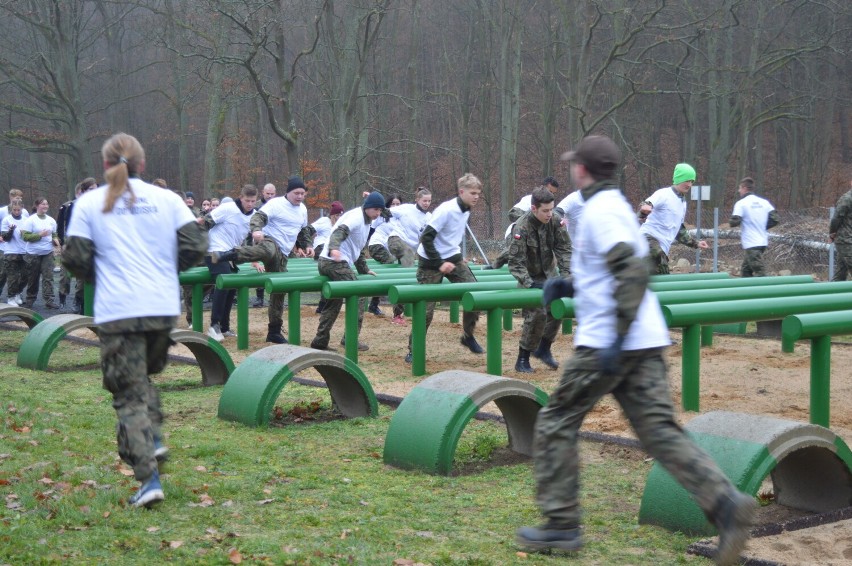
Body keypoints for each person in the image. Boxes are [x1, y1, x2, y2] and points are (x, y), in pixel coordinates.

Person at [517, 135, 755, 564]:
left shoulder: (600, 211)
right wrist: (572, 284)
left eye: (576, 166)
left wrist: (613, 339)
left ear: (584, 170)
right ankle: (727, 506)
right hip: (644, 339)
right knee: (660, 432)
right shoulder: (616, 207)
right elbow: (618, 267)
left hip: (611, 339)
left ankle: (561, 523)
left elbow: (630, 269)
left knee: (555, 420)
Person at [62, 132, 207, 508]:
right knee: (141, 378)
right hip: (161, 307)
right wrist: (163, 270)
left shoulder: (90, 203)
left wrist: (103, 275)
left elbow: (74, 259)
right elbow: (196, 246)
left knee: (127, 394)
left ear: (105, 165)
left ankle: (148, 478)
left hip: (119, 309)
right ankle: (153, 438)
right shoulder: (168, 199)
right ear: (142, 164)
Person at [211, 175, 313, 344]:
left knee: (278, 292)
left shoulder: (302, 209)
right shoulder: (276, 204)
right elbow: (257, 217)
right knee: (268, 250)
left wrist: (307, 244)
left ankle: (273, 331)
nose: (300, 196)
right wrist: (257, 230)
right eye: (297, 193)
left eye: (303, 193)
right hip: (270, 241)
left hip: (284, 254)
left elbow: (303, 231)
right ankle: (230, 255)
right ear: (288, 192)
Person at [404, 173, 484, 364]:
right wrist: (440, 263)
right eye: (473, 193)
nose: (476, 197)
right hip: (430, 261)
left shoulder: (466, 209)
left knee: (475, 292)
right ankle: (414, 350)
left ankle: (467, 335)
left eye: (478, 194)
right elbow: (427, 238)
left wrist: (456, 258)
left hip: (452, 257)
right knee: (426, 310)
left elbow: (451, 237)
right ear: (461, 191)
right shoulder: (447, 210)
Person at [309, 192, 385, 351]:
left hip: (332, 261)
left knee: (334, 302)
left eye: (380, 210)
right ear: (368, 207)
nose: (378, 213)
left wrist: (364, 269)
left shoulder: (367, 220)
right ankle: (350, 339)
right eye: (376, 209)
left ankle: (320, 341)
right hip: (333, 261)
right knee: (358, 294)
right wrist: (334, 248)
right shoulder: (356, 218)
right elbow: (339, 232)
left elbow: (356, 248)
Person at [507, 187, 571, 373]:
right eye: (545, 210)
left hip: (549, 275)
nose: (549, 214)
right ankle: (523, 358)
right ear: (534, 209)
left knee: (558, 307)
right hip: (528, 277)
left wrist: (567, 277)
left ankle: (544, 348)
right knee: (536, 313)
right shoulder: (521, 227)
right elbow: (515, 264)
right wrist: (530, 283)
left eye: (551, 209)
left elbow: (565, 249)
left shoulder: (555, 222)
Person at [199, 184, 259, 341]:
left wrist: (254, 260)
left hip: (230, 253)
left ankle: (224, 327)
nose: (250, 204)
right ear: (241, 198)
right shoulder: (228, 208)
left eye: (253, 201)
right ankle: (214, 325)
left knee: (232, 286)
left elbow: (253, 237)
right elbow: (205, 222)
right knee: (225, 280)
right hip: (213, 251)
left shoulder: (255, 215)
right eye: (247, 200)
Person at [637, 163, 709, 274]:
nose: (689, 185)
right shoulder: (664, 194)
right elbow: (647, 204)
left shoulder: (683, 203)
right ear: (679, 179)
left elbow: (679, 230)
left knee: (655, 279)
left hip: (662, 249)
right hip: (648, 239)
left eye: (692, 182)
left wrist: (696, 243)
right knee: (660, 261)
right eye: (687, 180)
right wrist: (644, 210)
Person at [489, 177, 561, 270]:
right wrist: (533, 220)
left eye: (553, 193)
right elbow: (512, 213)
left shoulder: (550, 206)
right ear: (543, 188)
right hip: (515, 233)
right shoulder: (530, 199)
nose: (551, 195)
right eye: (550, 191)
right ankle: (497, 264)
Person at [386, 187, 433, 324]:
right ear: (417, 199)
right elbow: (387, 211)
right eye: (424, 200)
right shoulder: (406, 209)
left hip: (410, 251)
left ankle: (398, 313)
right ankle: (392, 258)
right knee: (407, 256)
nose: (426, 203)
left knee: (406, 276)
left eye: (429, 201)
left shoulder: (429, 217)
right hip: (396, 240)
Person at [58, 178, 97, 311]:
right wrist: (65, 243)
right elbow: (68, 227)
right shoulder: (73, 206)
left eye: (96, 188)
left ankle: (83, 302)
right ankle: (74, 300)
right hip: (78, 245)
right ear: (83, 191)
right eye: (91, 189)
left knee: (87, 281)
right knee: (72, 277)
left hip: (93, 247)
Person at [728, 177, 779, 277]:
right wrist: (762, 226)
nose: (739, 191)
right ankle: (746, 291)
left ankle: (767, 290)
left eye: (739, 188)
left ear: (744, 188)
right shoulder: (764, 202)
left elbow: (734, 222)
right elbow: (775, 219)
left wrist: (732, 221)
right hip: (763, 241)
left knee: (760, 271)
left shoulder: (741, 203)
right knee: (746, 270)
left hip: (751, 242)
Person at [366, 194, 402, 317]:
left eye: (398, 204)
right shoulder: (383, 216)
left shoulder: (402, 218)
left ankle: (374, 305)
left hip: (389, 250)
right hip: (377, 245)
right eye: (393, 204)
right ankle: (376, 304)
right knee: (391, 266)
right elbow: (370, 229)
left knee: (395, 270)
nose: (396, 206)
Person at [21, 198, 60, 308]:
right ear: (37, 205)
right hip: (33, 254)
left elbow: (54, 234)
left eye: (47, 204)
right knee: (33, 278)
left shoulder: (51, 220)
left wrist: (56, 240)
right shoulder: (31, 220)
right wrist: (39, 235)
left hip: (47, 252)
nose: (45, 206)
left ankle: (49, 300)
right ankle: (30, 299)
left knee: (48, 277)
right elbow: (25, 237)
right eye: (43, 204)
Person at [312, 200, 345, 314]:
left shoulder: (341, 225)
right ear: (332, 215)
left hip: (332, 251)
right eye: (336, 215)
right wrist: (305, 245)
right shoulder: (324, 221)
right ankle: (324, 304)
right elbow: (309, 229)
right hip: (320, 248)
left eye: (340, 215)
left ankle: (323, 304)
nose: (338, 218)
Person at [251, 183, 278, 308]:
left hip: (274, 238)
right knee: (260, 268)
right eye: (268, 194)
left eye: (272, 194)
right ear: (263, 192)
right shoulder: (256, 206)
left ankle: (276, 296)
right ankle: (259, 297)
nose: (270, 196)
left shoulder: (279, 205)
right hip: (259, 237)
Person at [0, 189, 29, 300]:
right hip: (5, 247)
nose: (18, 199)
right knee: (4, 273)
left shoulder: (25, 213)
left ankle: (17, 293)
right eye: (16, 197)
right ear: (10, 197)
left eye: (20, 198)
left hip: (22, 248)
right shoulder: (3, 211)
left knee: (23, 275)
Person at [829, 180, 852, 281]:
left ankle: (832, 294)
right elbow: (836, 218)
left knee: (840, 274)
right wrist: (832, 233)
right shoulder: (847, 199)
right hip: (846, 240)